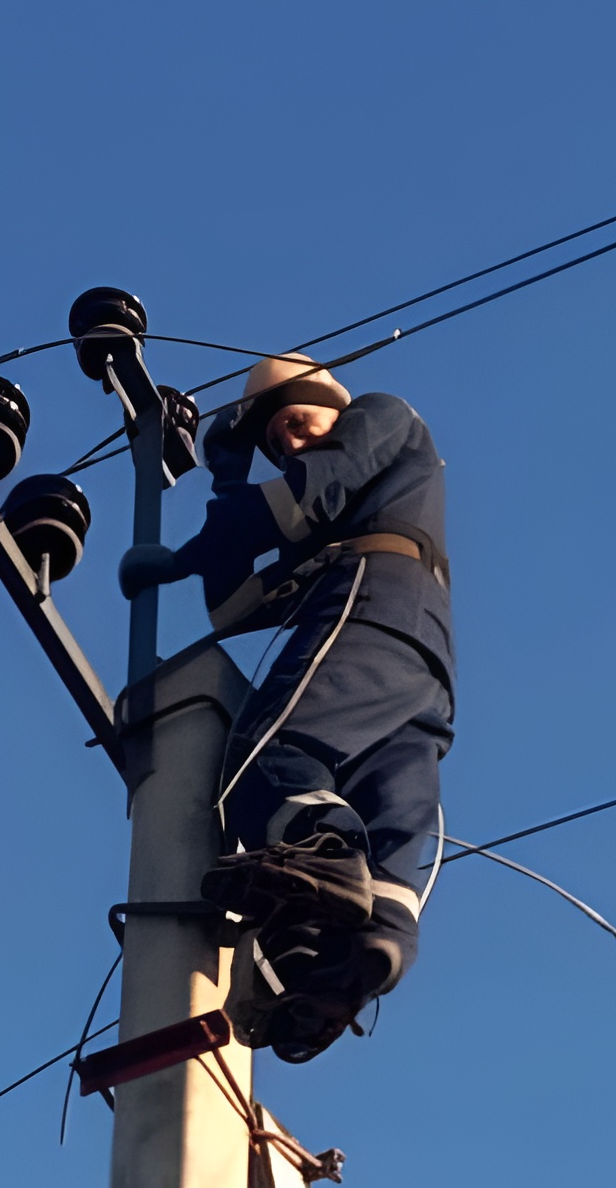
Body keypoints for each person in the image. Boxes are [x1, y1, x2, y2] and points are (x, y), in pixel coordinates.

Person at [120, 353, 454, 1063]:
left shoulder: (383, 417)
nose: (292, 445)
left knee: (263, 763)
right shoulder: (337, 517)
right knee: (392, 818)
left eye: (299, 424)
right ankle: (349, 959)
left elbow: (303, 495)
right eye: (277, 441)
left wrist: (187, 550)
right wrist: (226, 480)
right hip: (422, 660)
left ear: (333, 405)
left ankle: (322, 851)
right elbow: (235, 605)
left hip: (370, 606)